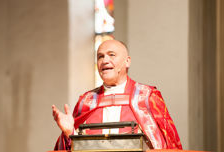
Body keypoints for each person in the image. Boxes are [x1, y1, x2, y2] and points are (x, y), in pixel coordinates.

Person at [52, 40, 182, 150]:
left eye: (111, 55)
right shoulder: (87, 101)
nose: (105, 60)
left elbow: (170, 144)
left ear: (127, 61)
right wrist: (69, 132)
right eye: (100, 56)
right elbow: (73, 148)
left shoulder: (148, 97)